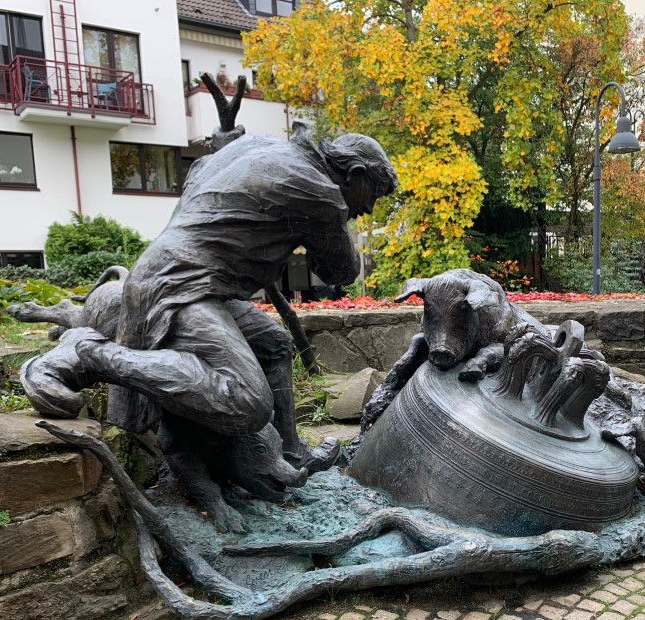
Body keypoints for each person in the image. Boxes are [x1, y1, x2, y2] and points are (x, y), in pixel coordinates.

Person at [22, 124, 397, 471]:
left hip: (186, 277)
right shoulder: (322, 194)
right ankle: (84, 355)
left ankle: (289, 452)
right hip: (181, 285)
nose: (368, 209)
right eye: (373, 196)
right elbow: (341, 272)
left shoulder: (261, 145)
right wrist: (329, 227)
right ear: (355, 174)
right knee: (247, 402)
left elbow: (201, 171)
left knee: (275, 346)